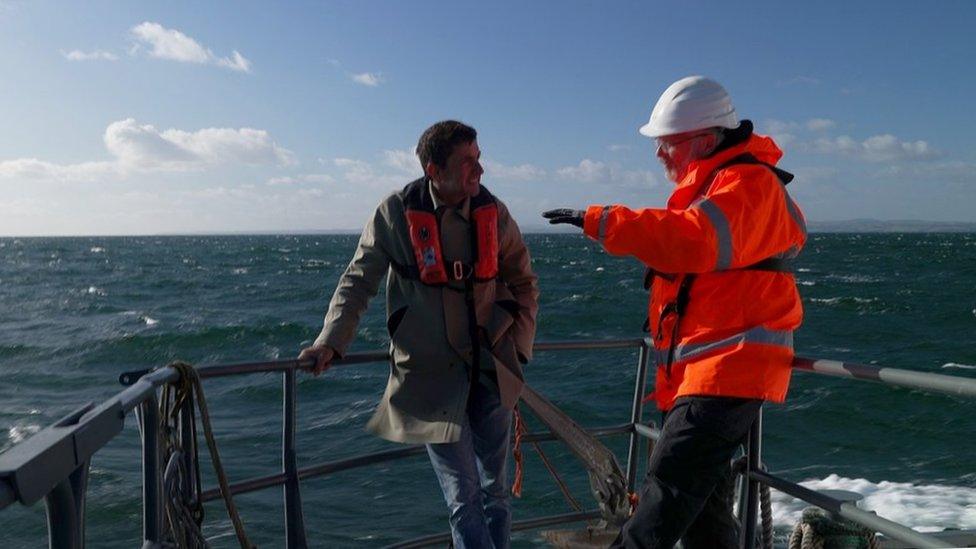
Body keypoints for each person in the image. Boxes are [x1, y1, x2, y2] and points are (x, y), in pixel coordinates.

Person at [543, 76, 806, 548]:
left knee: (662, 500)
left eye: (667, 144)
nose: (660, 154)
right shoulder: (721, 185)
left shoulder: (748, 183)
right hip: (702, 374)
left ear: (704, 140)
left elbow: (693, 240)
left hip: (728, 371)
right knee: (704, 517)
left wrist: (604, 221)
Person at [300, 120, 539, 549]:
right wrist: (330, 341)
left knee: (496, 494)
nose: (479, 171)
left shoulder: (494, 213)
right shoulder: (394, 213)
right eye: (467, 162)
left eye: (478, 159)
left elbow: (524, 283)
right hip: (430, 376)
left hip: (491, 370)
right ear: (434, 169)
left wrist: (518, 350)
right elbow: (358, 280)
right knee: (463, 500)